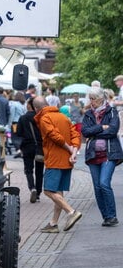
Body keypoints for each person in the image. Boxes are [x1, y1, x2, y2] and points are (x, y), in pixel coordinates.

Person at [33, 96, 83, 233]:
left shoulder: (45, 118)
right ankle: (53, 223)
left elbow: (55, 136)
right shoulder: (63, 116)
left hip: (54, 159)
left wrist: (68, 149)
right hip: (67, 160)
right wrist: (73, 152)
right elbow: (75, 135)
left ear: (36, 109)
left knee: (48, 190)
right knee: (58, 191)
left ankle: (71, 212)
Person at [81, 87, 122, 227]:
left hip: (109, 154)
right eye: (90, 99)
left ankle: (112, 215)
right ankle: (106, 217)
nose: (91, 102)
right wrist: (101, 127)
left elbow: (112, 130)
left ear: (100, 99)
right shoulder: (88, 114)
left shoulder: (112, 112)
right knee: (97, 187)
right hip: (92, 155)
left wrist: (96, 132)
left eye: (93, 99)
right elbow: (85, 132)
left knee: (104, 183)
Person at [16, 97, 44, 203]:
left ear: (29, 105)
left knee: (28, 170)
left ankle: (32, 188)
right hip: (40, 147)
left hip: (27, 146)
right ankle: (38, 193)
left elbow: (19, 132)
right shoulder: (41, 117)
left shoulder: (23, 118)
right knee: (39, 170)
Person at [9, 91, 26, 157]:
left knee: (14, 137)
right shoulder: (23, 105)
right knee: (20, 137)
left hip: (15, 122)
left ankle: (18, 150)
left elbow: (12, 114)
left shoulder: (14, 104)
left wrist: (9, 123)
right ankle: (21, 150)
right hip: (22, 123)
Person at [0, 87, 11, 154]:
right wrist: (7, 121)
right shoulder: (5, 100)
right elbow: (8, 112)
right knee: (5, 134)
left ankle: (1, 148)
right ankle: (7, 146)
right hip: (4, 121)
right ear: (3, 92)